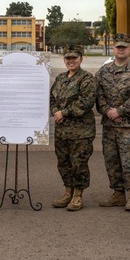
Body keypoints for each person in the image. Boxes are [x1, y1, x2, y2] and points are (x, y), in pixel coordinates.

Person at [95, 33, 130, 212]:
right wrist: (108, 112)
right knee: (112, 160)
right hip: (110, 126)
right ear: (113, 48)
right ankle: (118, 193)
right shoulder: (103, 71)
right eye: (118, 46)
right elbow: (98, 95)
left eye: (124, 47)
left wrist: (119, 111)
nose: (121, 49)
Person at [49, 44, 97, 211]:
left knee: (79, 164)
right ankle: (68, 191)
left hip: (81, 132)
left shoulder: (87, 79)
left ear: (81, 59)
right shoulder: (61, 78)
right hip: (62, 131)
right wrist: (55, 111)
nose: (71, 61)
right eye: (68, 58)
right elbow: (52, 98)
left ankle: (78, 195)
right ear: (64, 60)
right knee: (63, 163)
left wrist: (64, 113)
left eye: (74, 58)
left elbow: (85, 102)